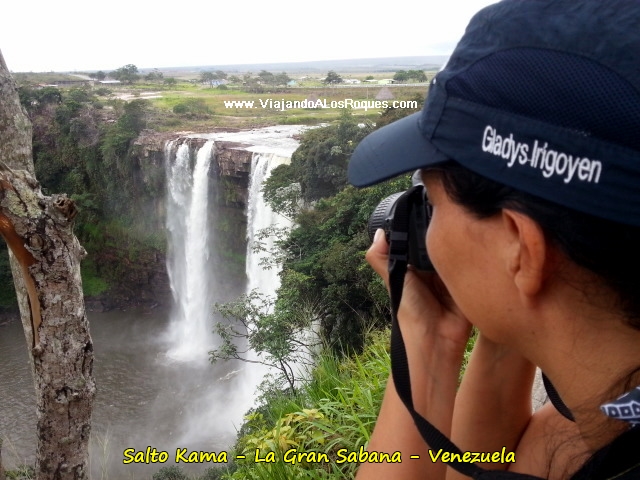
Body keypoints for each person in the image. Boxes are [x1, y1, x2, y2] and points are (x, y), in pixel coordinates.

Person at [347, 0, 640, 479]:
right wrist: (485, 318)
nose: (425, 222)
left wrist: (424, 343)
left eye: (434, 203)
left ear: (520, 245)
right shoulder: (607, 424)